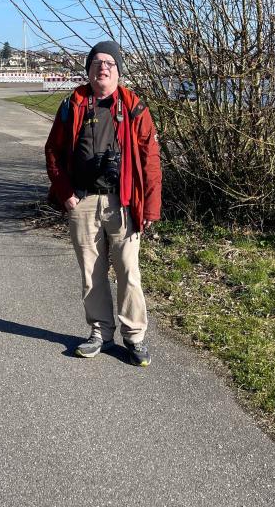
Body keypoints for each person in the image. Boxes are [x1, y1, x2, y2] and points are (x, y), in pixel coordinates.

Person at [45, 40, 162, 366]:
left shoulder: (134, 107)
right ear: (88, 70)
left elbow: (151, 159)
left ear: (119, 71)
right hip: (82, 201)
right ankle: (100, 333)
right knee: (91, 273)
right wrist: (65, 193)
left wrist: (150, 207)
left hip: (123, 202)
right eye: (97, 62)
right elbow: (53, 151)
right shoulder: (73, 105)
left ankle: (134, 337)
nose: (103, 67)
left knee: (128, 271)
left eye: (110, 63)